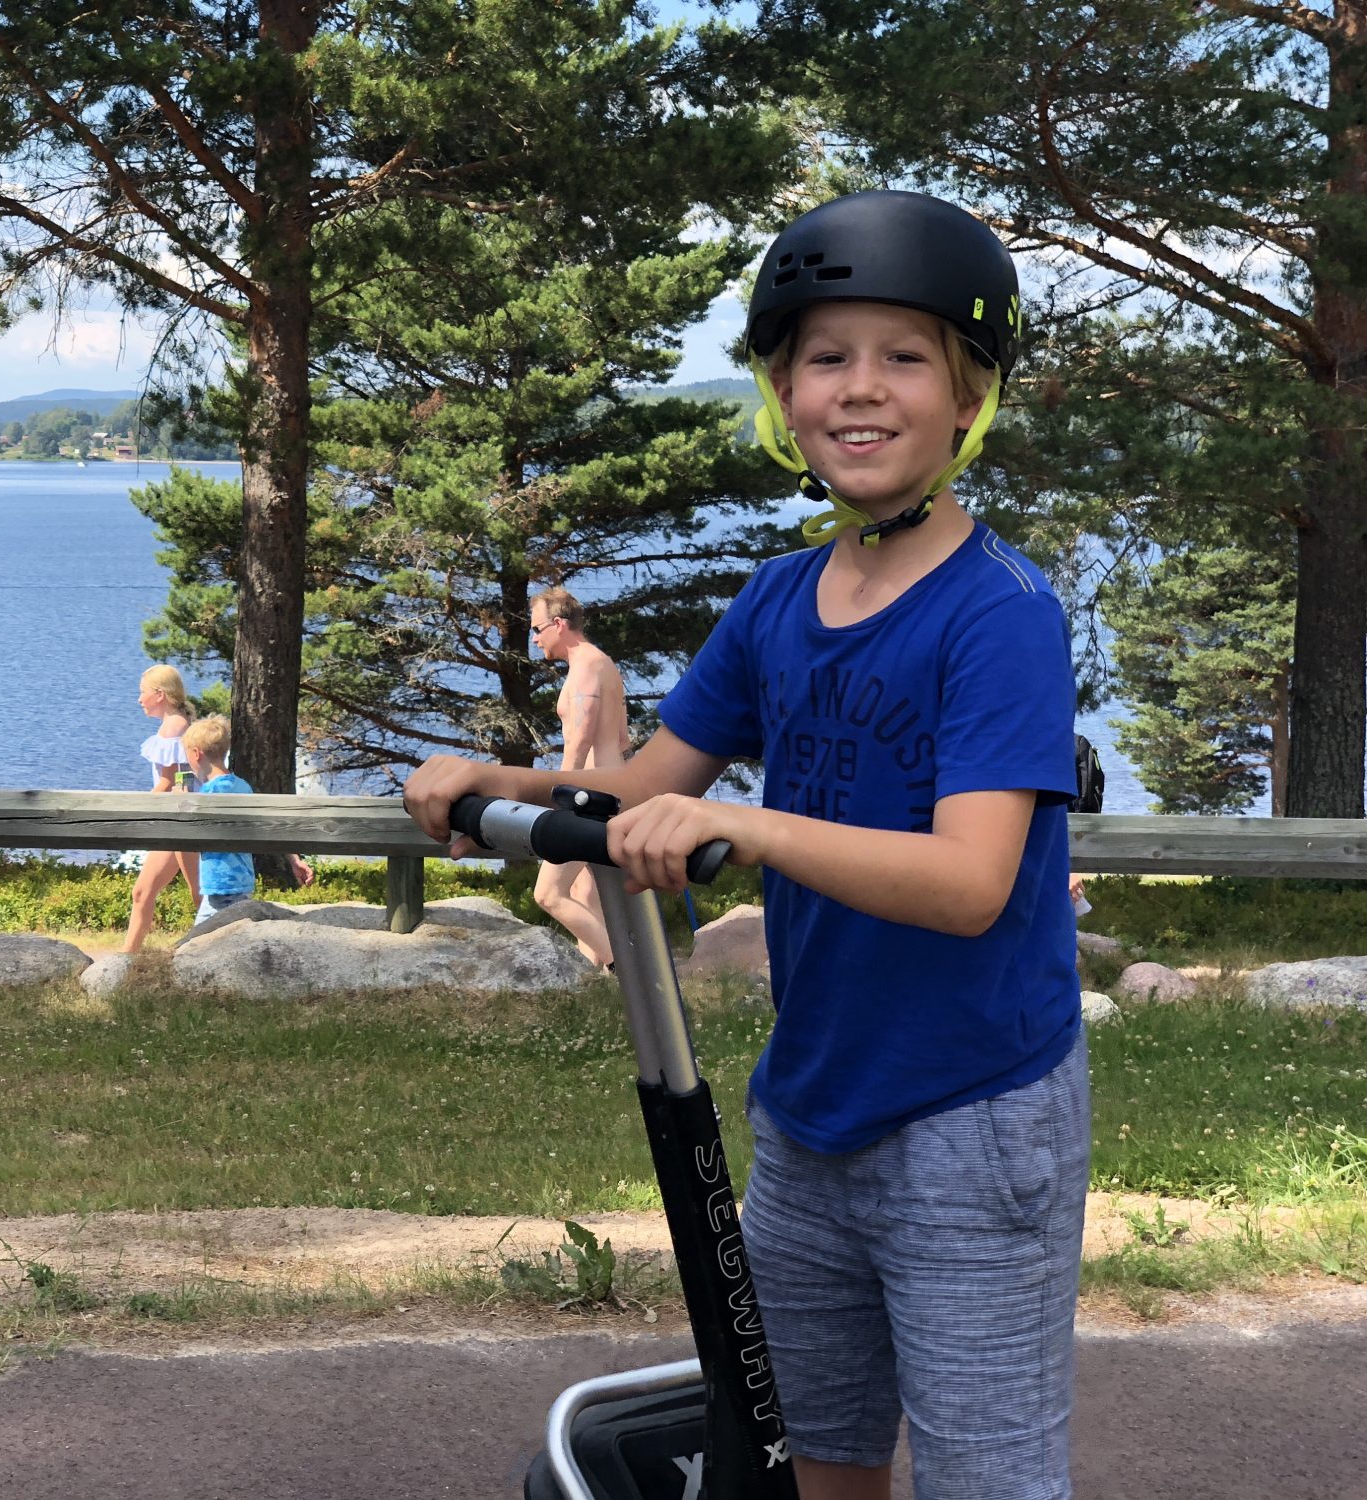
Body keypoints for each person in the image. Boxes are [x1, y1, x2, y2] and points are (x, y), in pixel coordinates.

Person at [403, 190, 1085, 1500]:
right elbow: (651, 783)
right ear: (783, 389)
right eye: (826, 358)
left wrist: (744, 824)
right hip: (812, 1110)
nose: (860, 390)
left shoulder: (999, 617)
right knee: (804, 1461)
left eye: (904, 358)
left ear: (967, 395)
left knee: (982, 1481)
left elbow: (969, 883)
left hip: (974, 1118)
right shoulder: (780, 598)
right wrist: (501, 776)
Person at [529, 585, 630, 969]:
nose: (535, 639)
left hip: (589, 798)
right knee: (585, 892)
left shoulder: (587, 665)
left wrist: (559, 795)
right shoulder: (601, 663)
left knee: (549, 893)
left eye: (537, 629)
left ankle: (626, 966)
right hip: (608, 790)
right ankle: (597, 985)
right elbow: (621, 738)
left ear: (559, 624)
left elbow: (581, 736)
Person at [180, 715, 313, 922]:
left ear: (197, 754)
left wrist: (181, 803)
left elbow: (192, 833)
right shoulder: (243, 787)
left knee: (198, 941)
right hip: (242, 881)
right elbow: (266, 825)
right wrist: (293, 858)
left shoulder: (207, 793)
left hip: (219, 883)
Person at [122, 665, 203, 954]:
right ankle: (127, 958)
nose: (139, 699)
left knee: (197, 893)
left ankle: (214, 946)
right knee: (144, 892)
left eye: (142, 693)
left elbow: (168, 783)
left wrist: (133, 810)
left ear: (159, 694)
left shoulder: (174, 727)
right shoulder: (177, 723)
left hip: (179, 820)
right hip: (177, 818)